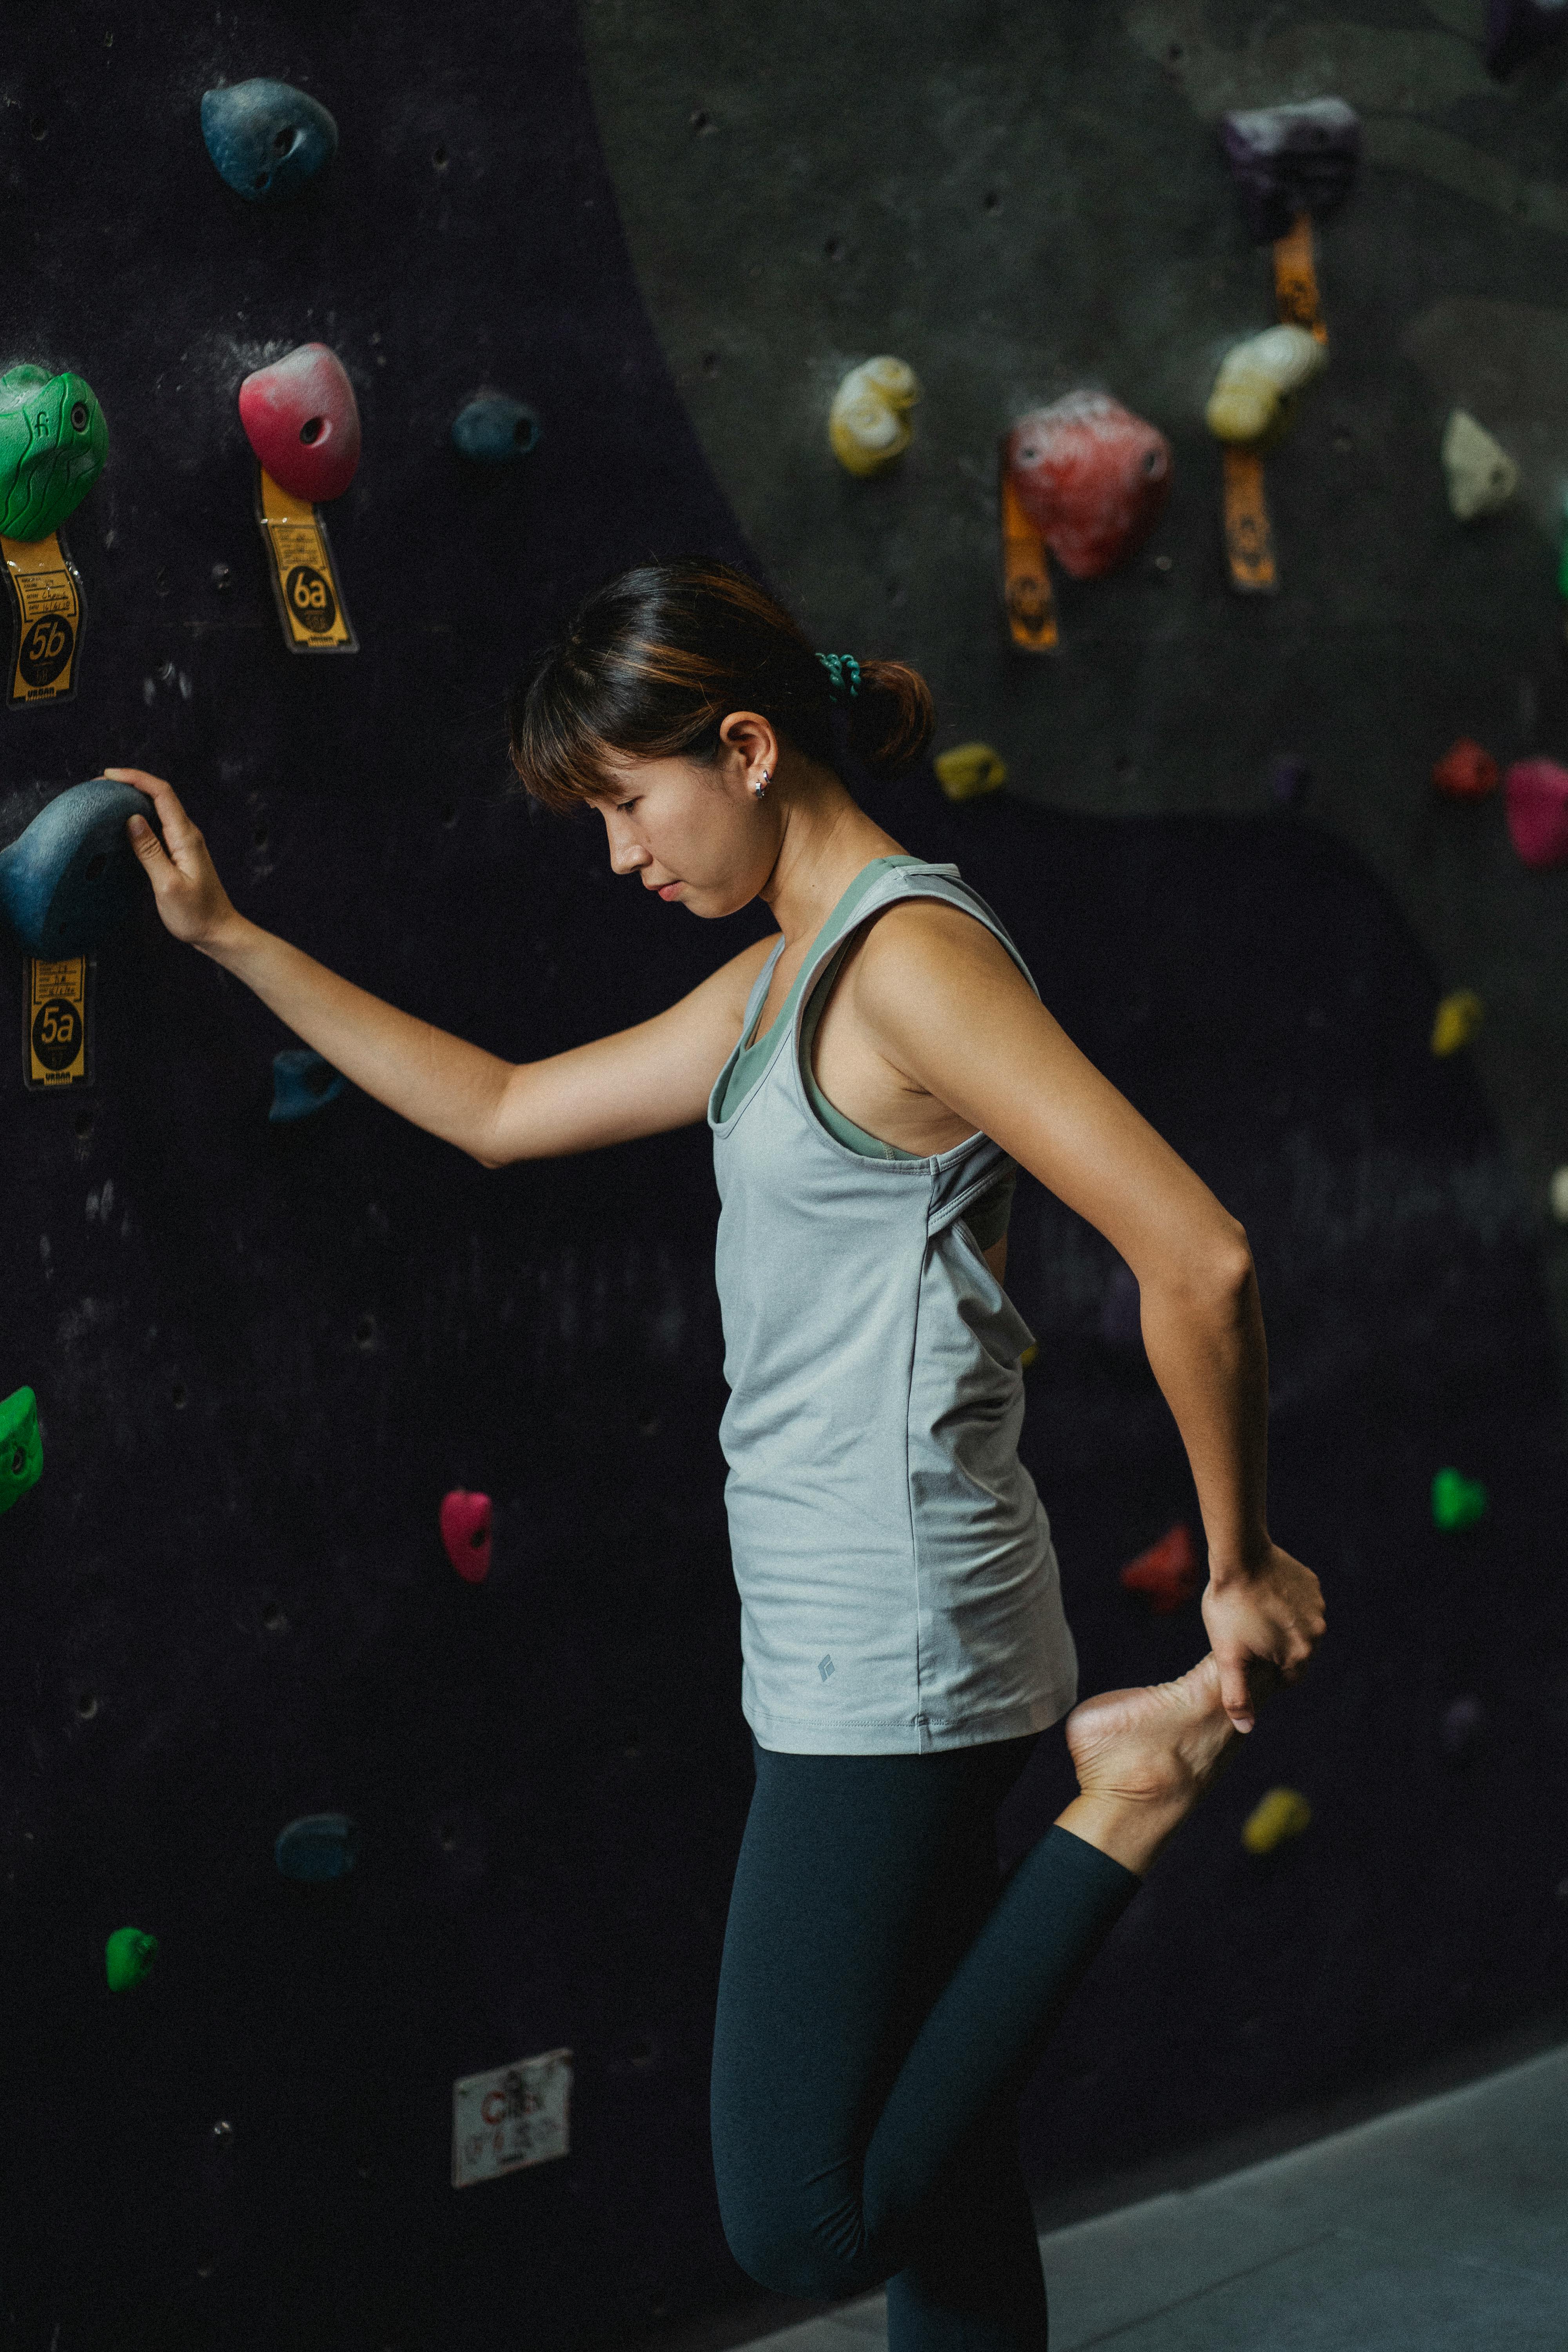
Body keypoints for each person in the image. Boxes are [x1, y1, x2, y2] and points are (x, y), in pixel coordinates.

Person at [114, 560, 1324, 2351]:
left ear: (745, 747)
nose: (620, 857)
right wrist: (233, 941)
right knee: (948, 2180)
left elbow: (1197, 1254)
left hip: (893, 1638)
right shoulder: (783, 983)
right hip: (874, 1621)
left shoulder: (906, 961)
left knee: (807, 2214)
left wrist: (1235, 1568)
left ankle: (1134, 1790)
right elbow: (505, 1113)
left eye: (625, 804)